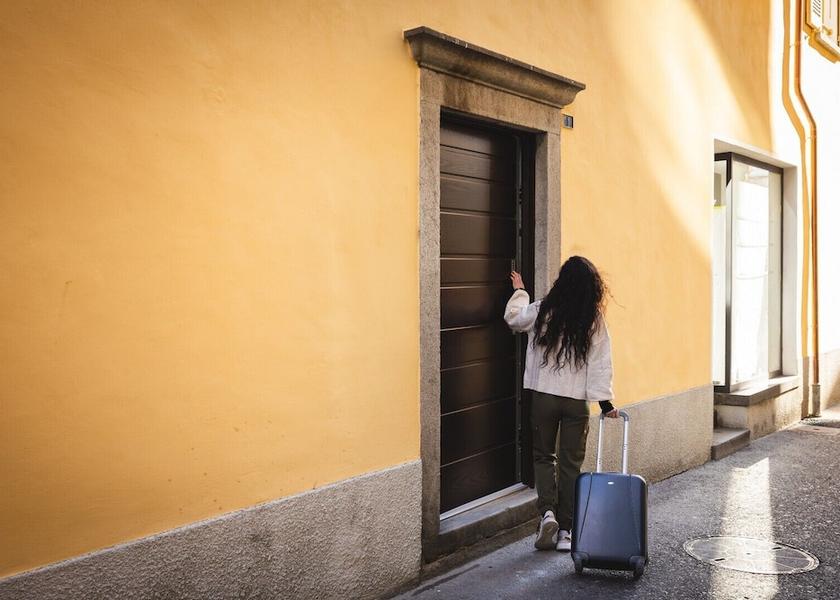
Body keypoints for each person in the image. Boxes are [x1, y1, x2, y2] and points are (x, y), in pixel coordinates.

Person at [504, 256, 617, 552]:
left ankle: (548, 514)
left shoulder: (543, 309)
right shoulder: (593, 318)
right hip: (576, 401)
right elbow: (600, 363)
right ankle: (566, 532)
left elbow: (513, 319)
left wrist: (520, 291)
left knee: (543, 457)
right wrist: (605, 404)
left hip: (543, 396)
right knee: (571, 465)